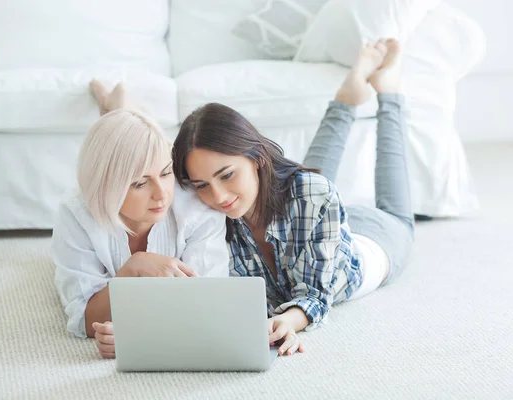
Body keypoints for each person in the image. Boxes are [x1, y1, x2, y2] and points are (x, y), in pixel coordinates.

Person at [172, 39, 414, 357]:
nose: (218, 196)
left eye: (227, 175)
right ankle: (347, 99)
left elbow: (316, 295)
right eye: (202, 185)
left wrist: (288, 320)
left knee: (320, 190)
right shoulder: (208, 209)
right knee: (305, 185)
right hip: (321, 222)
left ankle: (389, 90)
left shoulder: (315, 196)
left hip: (376, 241)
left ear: (257, 157)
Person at [51, 87, 229, 359]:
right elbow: (83, 318)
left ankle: (118, 103)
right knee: (125, 137)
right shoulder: (75, 212)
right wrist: (131, 271)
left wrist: (137, 332)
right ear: (107, 187)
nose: (162, 194)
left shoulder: (196, 207)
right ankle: (115, 104)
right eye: (139, 183)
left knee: (139, 133)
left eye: (166, 173)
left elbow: (208, 305)